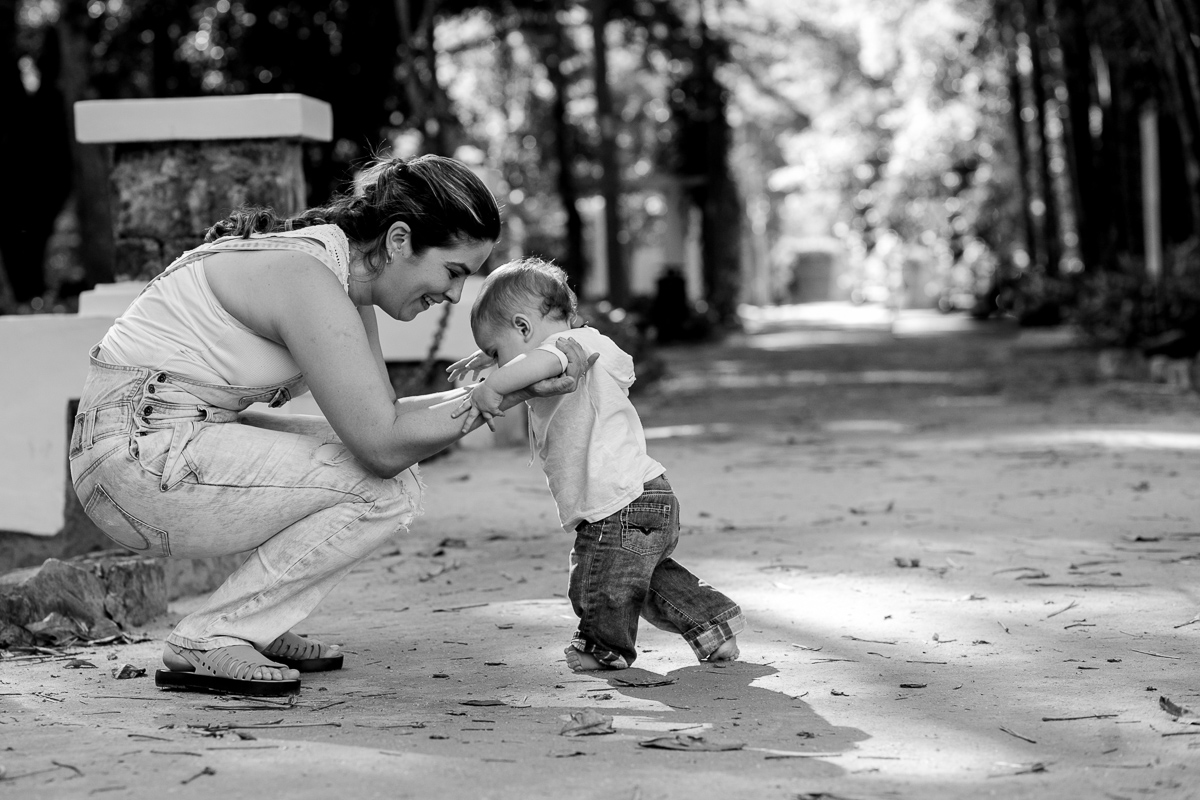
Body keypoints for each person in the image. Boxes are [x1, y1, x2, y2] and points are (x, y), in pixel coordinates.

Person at [68, 155, 596, 696]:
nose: (455, 295)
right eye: (453, 271)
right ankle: (214, 635)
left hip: (165, 438)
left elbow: (386, 416)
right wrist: (506, 391)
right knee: (383, 488)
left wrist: (501, 385)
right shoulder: (309, 279)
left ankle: (255, 622)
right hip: (135, 457)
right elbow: (382, 447)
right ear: (398, 240)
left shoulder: (343, 280)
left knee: (383, 477)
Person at [448, 257, 744, 671]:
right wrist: (498, 361)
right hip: (640, 496)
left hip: (617, 502)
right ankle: (712, 624)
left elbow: (538, 362)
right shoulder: (581, 343)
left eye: (497, 352)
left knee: (596, 582)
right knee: (641, 580)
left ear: (523, 327)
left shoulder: (569, 346)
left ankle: (603, 649)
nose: (498, 364)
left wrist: (491, 387)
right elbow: (529, 363)